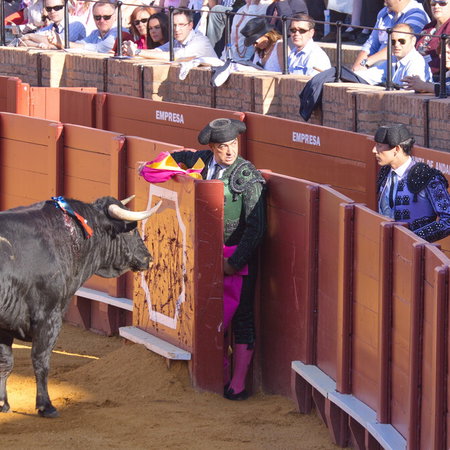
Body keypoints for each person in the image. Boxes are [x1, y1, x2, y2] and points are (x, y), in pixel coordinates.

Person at [140, 119, 266, 400]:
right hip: (205, 256)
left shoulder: (248, 177)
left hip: (236, 257)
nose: (230, 152)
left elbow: (256, 227)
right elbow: (169, 161)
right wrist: (151, 168)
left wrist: (234, 263)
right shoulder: (202, 160)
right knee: (208, 313)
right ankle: (217, 373)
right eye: (223, 147)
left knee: (241, 316)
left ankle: (238, 382)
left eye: (233, 145)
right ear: (212, 147)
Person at [373, 123, 450, 242]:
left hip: (418, 253)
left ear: (397, 149)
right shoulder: (385, 172)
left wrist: (413, 239)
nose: (374, 150)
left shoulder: (426, 177)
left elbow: (448, 219)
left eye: (379, 146)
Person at [352, 0, 429, 72]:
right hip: (374, 68)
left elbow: (399, 46)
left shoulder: (416, 15)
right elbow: (370, 45)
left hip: (396, 69)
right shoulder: (384, 12)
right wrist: (357, 67)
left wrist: (367, 62)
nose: (384, 2)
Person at [122, 9, 217, 60]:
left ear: (190, 25)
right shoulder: (175, 42)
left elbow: (174, 56)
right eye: (174, 25)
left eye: (181, 25)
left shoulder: (200, 41)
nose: (177, 29)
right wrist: (132, 50)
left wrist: (137, 52)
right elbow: (158, 51)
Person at [358, 23, 432, 87]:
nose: (396, 45)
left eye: (402, 41)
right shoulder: (393, 59)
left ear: (413, 41)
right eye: (393, 41)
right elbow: (370, 76)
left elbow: (408, 92)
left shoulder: (416, 62)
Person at [18, 0, 86, 49]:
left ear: (66, 7)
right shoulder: (51, 26)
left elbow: (58, 42)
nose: (52, 11)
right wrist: (38, 45)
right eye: (49, 9)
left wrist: (30, 36)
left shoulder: (76, 24)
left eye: (57, 8)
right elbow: (22, 42)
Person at [416, 0, 450, 77]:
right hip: (419, 73)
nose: (436, 6)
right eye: (433, 3)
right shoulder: (428, 26)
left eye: (442, 3)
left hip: (441, 78)